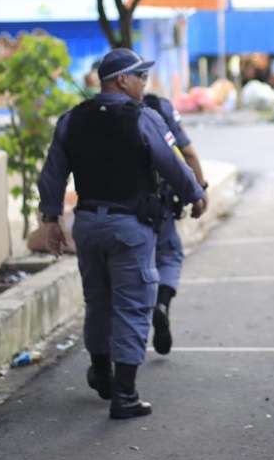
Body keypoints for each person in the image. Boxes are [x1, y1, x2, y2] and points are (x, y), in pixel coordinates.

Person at [38, 48, 206, 420]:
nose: (145, 84)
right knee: (132, 306)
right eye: (140, 77)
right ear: (120, 80)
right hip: (129, 226)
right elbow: (172, 165)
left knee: (98, 301)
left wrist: (50, 219)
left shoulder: (71, 120)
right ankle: (125, 396)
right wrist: (196, 195)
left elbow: (52, 173)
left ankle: (101, 373)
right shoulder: (142, 118)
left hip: (87, 225)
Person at [142, 92, 209, 355]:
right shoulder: (158, 108)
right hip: (155, 205)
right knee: (169, 255)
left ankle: (106, 364)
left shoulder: (90, 113)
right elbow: (187, 153)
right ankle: (162, 302)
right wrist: (199, 191)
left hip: (105, 211)